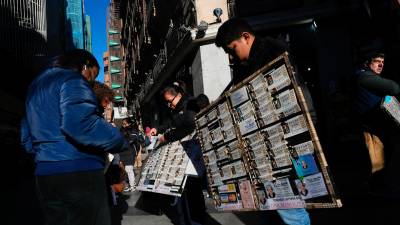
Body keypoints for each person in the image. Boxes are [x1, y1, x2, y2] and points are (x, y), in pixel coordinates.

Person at [216, 17, 311, 225]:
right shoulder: (245, 65)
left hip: (282, 143)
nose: (232, 57)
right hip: (264, 145)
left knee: (288, 204)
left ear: (246, 37)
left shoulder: (272, 51)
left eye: (232, 49)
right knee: (271, 204)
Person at [20, 49, 128, 225]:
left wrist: (43, 153)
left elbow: (26, 133)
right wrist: (118, 140)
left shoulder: (35, 86)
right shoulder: (72, 79)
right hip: (79, 171)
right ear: (84, 65)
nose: (91, 80)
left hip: (45, 173)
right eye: (92, 74)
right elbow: (80, 125)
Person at [150, 83, 208, 225]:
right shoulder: (175, 110)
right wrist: (157, 130)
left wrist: (167, 137)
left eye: (170, 101)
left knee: (193, 193)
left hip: (192, 158)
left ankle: (196, 220)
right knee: (181, 194)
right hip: (180, 157)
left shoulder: (190, 104)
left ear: (179, 94)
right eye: (167, 102)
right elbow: (168, 124)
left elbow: (189, 125)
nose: (169, 105)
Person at [354, 52, 400, 197]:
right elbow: (394, 88)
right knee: (377, 163)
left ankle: (376, 189)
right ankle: (377, 193)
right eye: (377, 61)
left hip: (377, 127)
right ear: (367, 63)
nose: (381, 64)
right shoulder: (364, 76)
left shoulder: (367, 76)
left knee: (382, 161)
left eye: (382, 62)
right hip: (371, 129)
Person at [120, 117, 144, 192]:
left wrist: (125, 141)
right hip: (123, 152)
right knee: (125, 170)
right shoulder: (120, 130)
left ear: (129, 123)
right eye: (123, 124)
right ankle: (128, 185)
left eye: (125, 124)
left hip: (130, 151)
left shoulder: (133, 130)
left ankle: (132, 185)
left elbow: (133, 139)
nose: (124, 125)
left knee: (129, 169)